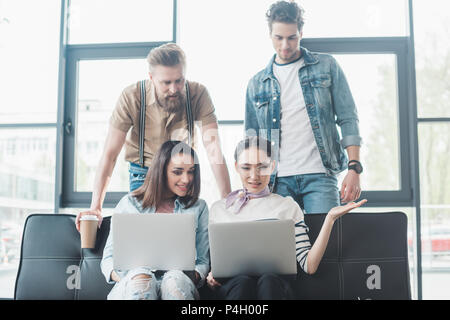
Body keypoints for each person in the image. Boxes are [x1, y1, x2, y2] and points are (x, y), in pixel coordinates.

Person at [76, 43, 231, 231]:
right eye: (166, 83)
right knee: (144, 235)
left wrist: (226, 203)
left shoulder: (198, 94)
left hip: (182, 175)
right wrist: (96, 207)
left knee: (184, 233)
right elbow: (110, 154)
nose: (174, 88)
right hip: (144, 176)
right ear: (151, 78)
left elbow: (214, 150)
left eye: (179, 81)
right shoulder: (132, 96)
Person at [207, 136, 366, 299]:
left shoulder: (287, 206)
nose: (254, 176)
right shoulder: (219, 209)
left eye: (262, 167)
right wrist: (211, 276)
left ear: (273, 166)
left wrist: (330, 219)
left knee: (268, 280)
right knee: (242, 283)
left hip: (275, 287)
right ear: (236, 167)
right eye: (246, 167)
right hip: (234, 288)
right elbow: (214, 267)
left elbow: (309, 265)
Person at [245, 1, 363, 214]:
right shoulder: (256, 83)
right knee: (281, 246)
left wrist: (354, 167)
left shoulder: (327, 66)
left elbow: (348, 118)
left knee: (326, 242)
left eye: (291, 37)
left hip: (320, 176)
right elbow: (252, 140)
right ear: (269, 34)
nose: (285, 45)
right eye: (278, 38)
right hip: (277, 181)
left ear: (301, 32)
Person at [100, 140, 210, 300]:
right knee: (141, 278)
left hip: (178, 283)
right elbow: (108, 259)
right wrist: (131, 278)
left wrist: (189, 276)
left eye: (191, 171)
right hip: (133, 285)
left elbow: (202, 261)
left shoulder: (199, 207)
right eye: (178, 172)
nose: (186, 179)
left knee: (174, 280)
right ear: (161, 171)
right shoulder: (129, 203)